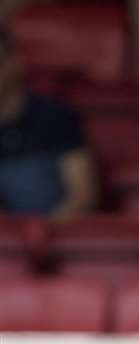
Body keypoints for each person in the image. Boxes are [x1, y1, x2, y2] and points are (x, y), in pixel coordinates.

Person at [0, 26, 97, 218]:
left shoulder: (53, 115)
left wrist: (41, 236)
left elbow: (83, 195)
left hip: (50, 236)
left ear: (14, 63)